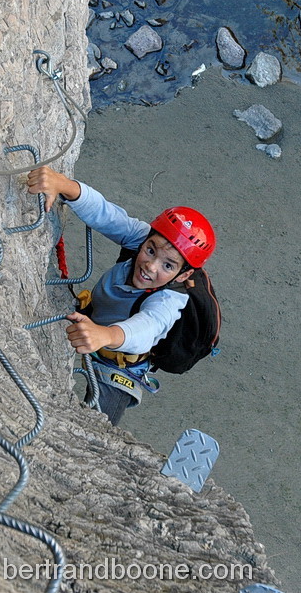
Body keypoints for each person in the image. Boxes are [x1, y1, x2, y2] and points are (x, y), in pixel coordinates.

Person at [27, 166, 216, 425]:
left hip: (119, 364)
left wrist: (106, 336)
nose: (151, 266)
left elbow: (147, 328)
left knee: (95, 426)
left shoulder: (170, 301)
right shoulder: (142, 239)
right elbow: (108, 215)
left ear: (184, 275)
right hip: (91, 321)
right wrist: (65, 185)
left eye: (168, 266)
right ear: (148, 238)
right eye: (151, 251)